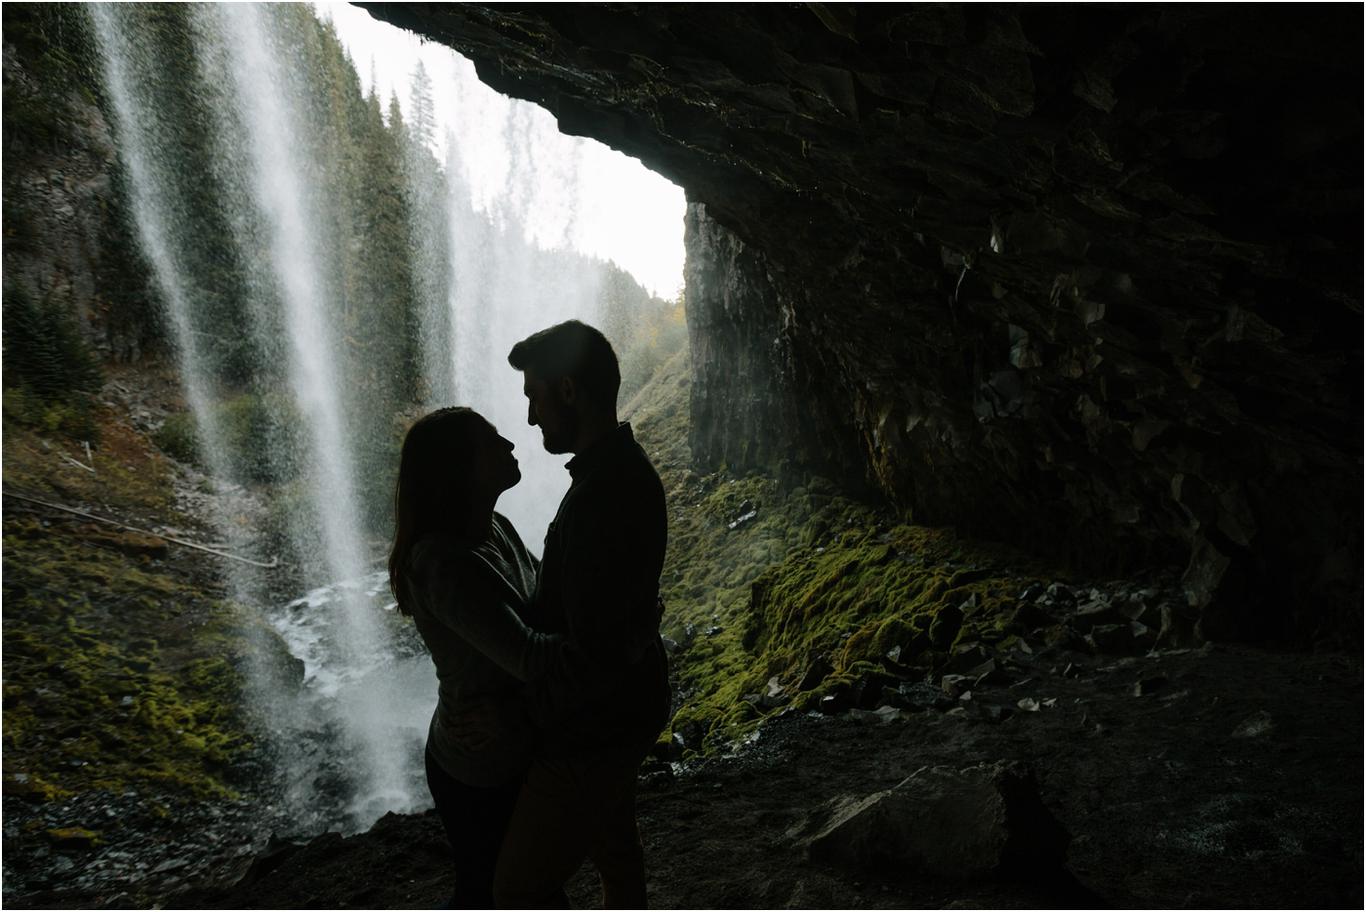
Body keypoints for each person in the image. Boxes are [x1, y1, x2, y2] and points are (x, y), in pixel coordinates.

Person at [492, 320, 672, 909]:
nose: (531, 418)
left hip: (592, 730)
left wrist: (527, 713)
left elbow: (594, 653)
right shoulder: (615, 475)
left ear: (568, 391)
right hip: (621, 714)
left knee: (517, 888)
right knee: (615, 849)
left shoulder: (603, 494)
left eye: (535, 398)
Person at [387, 406, 567, 909]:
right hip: (477, 763)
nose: (511, 444)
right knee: (497, 890)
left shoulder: (496, 527)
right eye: (493, 441)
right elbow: (532, 656)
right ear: (460, 467)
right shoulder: (442, 565)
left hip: (513, 739)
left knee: (527, 887)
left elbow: (548, 607)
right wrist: (618, 640)